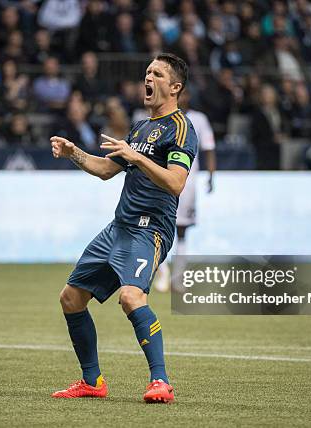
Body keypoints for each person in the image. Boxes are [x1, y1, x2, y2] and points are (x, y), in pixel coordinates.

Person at [50, 53, 198, 403]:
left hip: (150, 231)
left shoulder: (181, 128)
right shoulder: (140, 128)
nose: (148, 77)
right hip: (119, 228)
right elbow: (104, 169)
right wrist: (74, 153)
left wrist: (137, 158)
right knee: (71, 298)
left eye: (157, 74)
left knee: (131, 297)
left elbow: (176, 182)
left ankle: (160, 381)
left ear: (174, 87)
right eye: (147, 72)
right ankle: (92, 382)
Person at [153, 89, 216, 293]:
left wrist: (211, 174)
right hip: (162, 179)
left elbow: (209, 147)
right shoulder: (162, 119)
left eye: (186, 94)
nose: (183, 98)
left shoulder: (199, 119)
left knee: (181, 231)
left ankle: (177, 278)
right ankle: (162, 273)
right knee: (156, 228)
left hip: (187, 183)